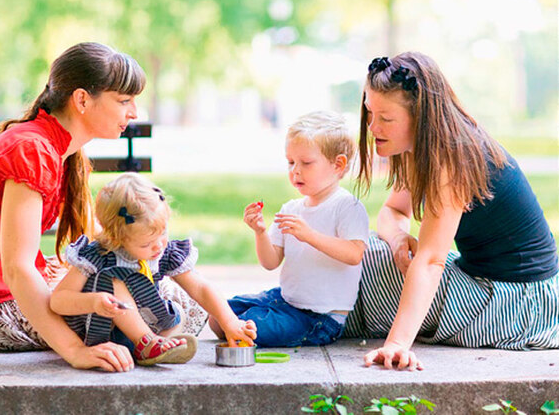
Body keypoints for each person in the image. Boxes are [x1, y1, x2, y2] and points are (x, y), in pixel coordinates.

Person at [0, 42, 202, 373]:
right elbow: (17, 268)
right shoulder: (33, 150)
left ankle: (140, 341)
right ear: (82, 99)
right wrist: (74, 351)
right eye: (124, 100)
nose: (134, 113)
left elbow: (84, 247)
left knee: (156, 286)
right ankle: (138, 343)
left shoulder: (59, 147)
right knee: (164, 302)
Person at [344, 52, 559, 371]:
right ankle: (307, 308)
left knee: (369, 266)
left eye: (386, 119)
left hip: (517, 303)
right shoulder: (423, 146)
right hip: (483, 280)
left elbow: (431, 261)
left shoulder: (453, 156)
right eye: (369, 113)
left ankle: (313, 315)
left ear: (420, 115)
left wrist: (397, 345)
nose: (373, 127)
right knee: (372, 251)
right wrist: (399, 239)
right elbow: (391, 211)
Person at [51, 172, 257, 363]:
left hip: (141, 323)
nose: (159, 246)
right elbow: (58, 301)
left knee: (180, 312)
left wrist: (229, 322)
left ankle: (154, 347)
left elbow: (200, 288)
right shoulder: (98, 255)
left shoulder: (162, 251)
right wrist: (94, 302)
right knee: (115, 281)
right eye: (146, 244)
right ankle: (146, 343)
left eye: (163, 233)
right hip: (100, 328)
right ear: (116, 239)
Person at [210, 112, 370, 347]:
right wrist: (260, 232)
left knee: (245, 324)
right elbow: (270, 262)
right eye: (291, 162)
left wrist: (310, 236)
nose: (295, 170)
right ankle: (240, 329)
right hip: (285, 300)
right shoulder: (291, 208)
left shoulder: (347, 206)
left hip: (320, 317)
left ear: (338, 164)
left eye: (306, 163)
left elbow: (354, 254)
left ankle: (245, 331)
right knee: (218, 316)